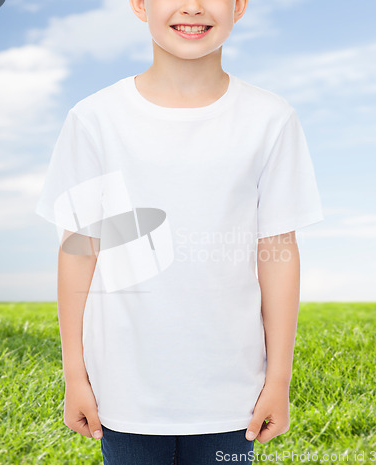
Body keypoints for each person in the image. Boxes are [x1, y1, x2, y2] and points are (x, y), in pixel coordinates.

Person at [34, 0, 325, 463]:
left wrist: (278, 381)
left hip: (232, 399)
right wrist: (75, 375)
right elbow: (78, 250)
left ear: (240, 5)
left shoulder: (269, 118)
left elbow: (278, 250)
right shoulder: (95, 118)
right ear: (139, 4)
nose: (192, 6)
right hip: (124, 395)